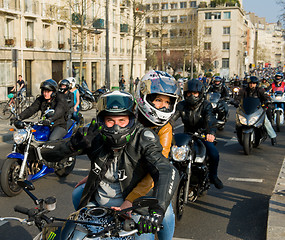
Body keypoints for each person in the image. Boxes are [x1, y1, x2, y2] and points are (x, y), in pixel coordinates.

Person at [41, 90, 179, 239]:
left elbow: (166, 170)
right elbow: (45, 152)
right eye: (110, 120)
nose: (116, 127)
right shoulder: (94, 135)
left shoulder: (144, 138)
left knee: (146, 234)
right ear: (102, 120)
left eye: (122, 120)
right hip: (98, 205)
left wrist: (157, 211)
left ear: (131, 120)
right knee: (72, 235)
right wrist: (72, 145)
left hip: (134, 207)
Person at [172, 79, 224, 189]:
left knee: (214, 153)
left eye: (195, 93)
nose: (192, 96)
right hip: (186, 135)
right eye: (189, 93)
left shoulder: (206, 105)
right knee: (171, 155)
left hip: (203, 135)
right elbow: (171, 119)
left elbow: (210, 119)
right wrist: (162, 129)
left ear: (200, 94)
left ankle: (213, 176)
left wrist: (211, 133)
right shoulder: (181, 105)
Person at [236, 76, 277, 145]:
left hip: (258, 109)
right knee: (238, 121)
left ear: (256, 84)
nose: (252, 84)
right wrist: (236, 101)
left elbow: (265, 97)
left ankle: (273, 137)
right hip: (246, 110)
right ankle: (239, 133)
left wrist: (267, 101)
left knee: (266, 121)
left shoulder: (260, 90)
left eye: (254, 83)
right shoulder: (244, 90)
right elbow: (238, 97)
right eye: (250, 83)